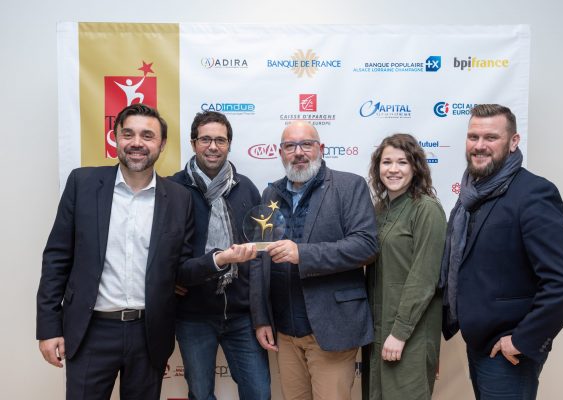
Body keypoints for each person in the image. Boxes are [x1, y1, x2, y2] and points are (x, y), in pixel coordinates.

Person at [36, 103, 225, 399]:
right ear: (115, 138)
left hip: (149, 334)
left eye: (147, 136)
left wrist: (219, 260)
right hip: (90, 332)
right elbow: (57, 258)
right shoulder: (82, 184)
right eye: (128, 134)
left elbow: (181, 268)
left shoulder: (179, 199)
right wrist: (49, 327)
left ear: (161, 144)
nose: (137, 143)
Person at [439, 104, 563, 400]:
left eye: (491, 137)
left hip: (508, 351)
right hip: (478, 342)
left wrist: (522, 340)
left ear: (513, 141)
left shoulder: (533, 193)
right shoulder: (471, 194)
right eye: (473, 137)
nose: (479, 145)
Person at [250, 121, 378, 400]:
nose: (299, 152)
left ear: (321, 148)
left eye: (306, 144)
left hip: (332, 329)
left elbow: (366, 246)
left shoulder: (349, 186)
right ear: (280, 152)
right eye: (290, 146)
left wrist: (303, 254)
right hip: (285, 332)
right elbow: (260, 258)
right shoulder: (270, 194)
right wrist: (261, 318)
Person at [170, 111, 270, 400]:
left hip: (241, 315)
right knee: (201, 394)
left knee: (259, 392)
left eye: (220, 140)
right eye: (205, 140)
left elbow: (261, 252)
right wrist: (169, 280)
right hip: (193, 315)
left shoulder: (246, 187)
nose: (213, 147)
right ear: (193, 143)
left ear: (229, 144)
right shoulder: (173, 189)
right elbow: (159, 251)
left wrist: (260, 314)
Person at [362, 134, 446, 400]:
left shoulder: (426, 209)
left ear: (415, 167)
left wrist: (399, 333)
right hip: (377, 331)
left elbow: (424, 278)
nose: (393, 169)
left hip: (410, 334)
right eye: (387, 162)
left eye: (402, 162)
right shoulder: (379, 209)